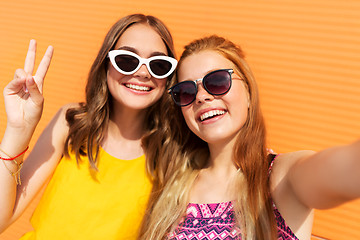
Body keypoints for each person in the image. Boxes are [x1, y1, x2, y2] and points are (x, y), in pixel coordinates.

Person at [139, 35, 360, 240]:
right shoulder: (173, 185)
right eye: (187, 91)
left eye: (216, 81)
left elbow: (344, 168)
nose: (202, 97)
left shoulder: (279, 178)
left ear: (248, 92)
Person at [0, 14, 178, 239]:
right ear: (106, 63)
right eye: (127, 59)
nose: (143, 73)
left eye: (159, 64)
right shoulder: (71, 122)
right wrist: (18, 130)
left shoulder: (171, 154)